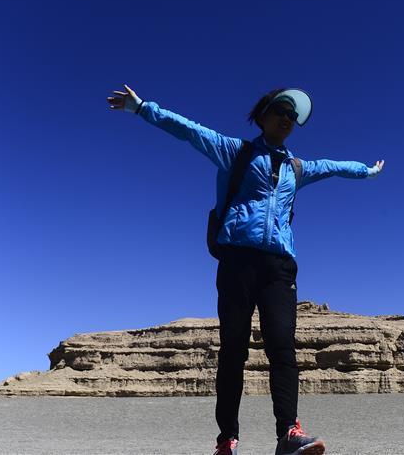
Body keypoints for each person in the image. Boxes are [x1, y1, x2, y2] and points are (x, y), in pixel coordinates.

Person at [107, 85, 385, 455]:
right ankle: (227, 440)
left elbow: (334, 167)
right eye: (280, 111)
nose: (287, 119)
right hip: (238, 262)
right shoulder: (235, 151)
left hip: (279, 268)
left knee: (283, 348)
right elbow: (189, 130)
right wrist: (142, 108)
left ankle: (289, 433)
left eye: (292, 116)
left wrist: (365, 172)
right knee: (233, 351)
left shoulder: (297, 169)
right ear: (263, 115)